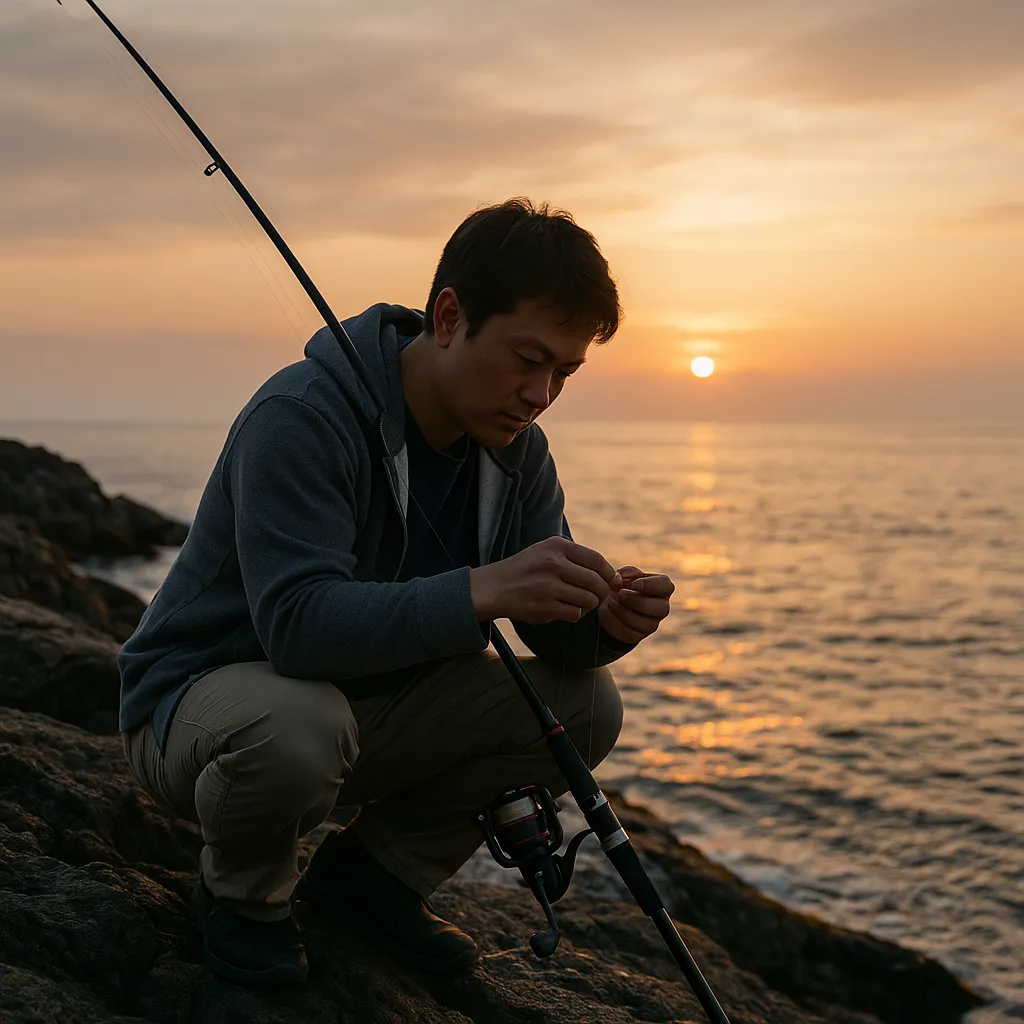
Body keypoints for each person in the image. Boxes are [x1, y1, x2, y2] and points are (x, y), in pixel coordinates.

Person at [117, 198, 675, 987]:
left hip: (363, 710)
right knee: (299, 725)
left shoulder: (517, 453)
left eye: (564, 372)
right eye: (528, 358)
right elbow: (298, 630)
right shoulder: (303, 416)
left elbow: (549, 633)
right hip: (201, 711)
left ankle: (371, 885)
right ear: (449, 318)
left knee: (586, 707)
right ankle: (244, 899)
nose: (541, 392)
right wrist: (482, 588)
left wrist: (608, 622)